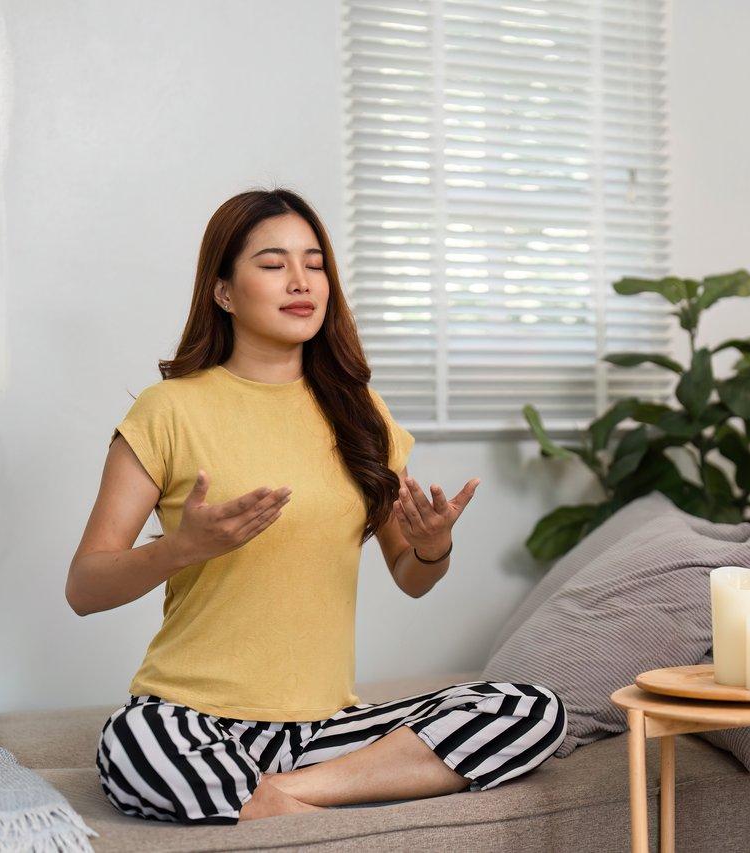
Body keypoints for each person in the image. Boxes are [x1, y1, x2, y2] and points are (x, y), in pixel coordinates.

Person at [66, 187, 568, 824]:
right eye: (273, 265)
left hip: (323, 733)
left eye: (315, 263)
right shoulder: (168, 411)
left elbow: (412, 578)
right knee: (134, 743)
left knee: (530, 710)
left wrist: (434, 546)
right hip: (191, 721)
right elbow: (84, 587)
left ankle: (290, 799)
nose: (301, 281)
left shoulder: (361, 415)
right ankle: (294, 793)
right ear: (223, 292)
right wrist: (183, 548)